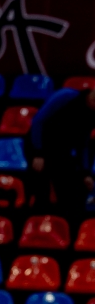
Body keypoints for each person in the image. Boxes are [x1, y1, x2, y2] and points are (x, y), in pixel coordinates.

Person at [30, 85, 95, 220]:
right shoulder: (66, 96)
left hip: (61, 152)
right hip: (39, 147)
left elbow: (83, 145)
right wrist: (38, 153)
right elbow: (38, 121)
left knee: (71, 191)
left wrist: (85, 173)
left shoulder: (92, 115)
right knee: (41, 191)